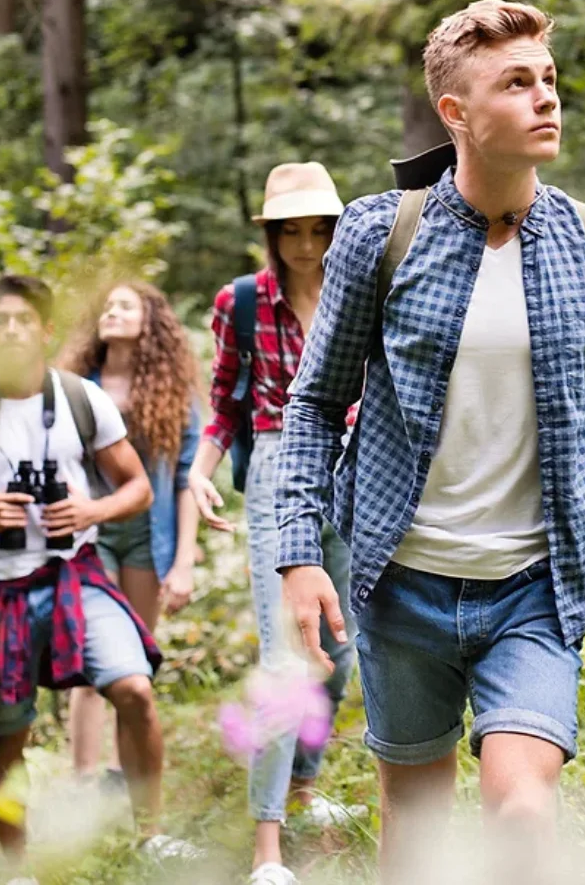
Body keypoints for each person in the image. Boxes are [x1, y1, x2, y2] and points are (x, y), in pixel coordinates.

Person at [273, 0, 585, 877]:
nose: (546, 97)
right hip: (402, 585)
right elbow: (315, 403)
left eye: (548, 78)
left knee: (521, 811)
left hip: (534, 590)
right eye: (517, 82)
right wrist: (299, 554)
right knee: (420, 826)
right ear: (456, 114)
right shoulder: (380, 234)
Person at [0, 275, 196, 875]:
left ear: (45, 331)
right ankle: (16, 866)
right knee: (9, 733)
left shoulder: (79, 399)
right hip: (1, 589)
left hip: (75, 573)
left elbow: (139, 487)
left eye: (25, 321)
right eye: (2, 321)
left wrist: (90, 510)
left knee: (135, 690)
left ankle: (151, 835)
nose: (12, 330)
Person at [189, 162, 358, 885]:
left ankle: (304, 784)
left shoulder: (357, 290)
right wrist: (199, 471)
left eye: (319, 229)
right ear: (271, 234)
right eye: (291, 230)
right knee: (284, 658)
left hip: (354, 471)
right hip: (278, 469)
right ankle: (266, 846)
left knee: (341, 648)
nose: (306, 245)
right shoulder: (244, 303)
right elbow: (225, 403)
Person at [61, 281, 201, 790]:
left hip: (147, 535)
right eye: (107, 304)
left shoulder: (169, 392)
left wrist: (184, 560)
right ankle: (82, 782)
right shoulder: (74, 385)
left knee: (131, 657)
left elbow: (187, 478)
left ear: (150, 322)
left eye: (124, 305)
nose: (111, 311)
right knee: (86, 657)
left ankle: (120, 776)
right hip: (87, 535)